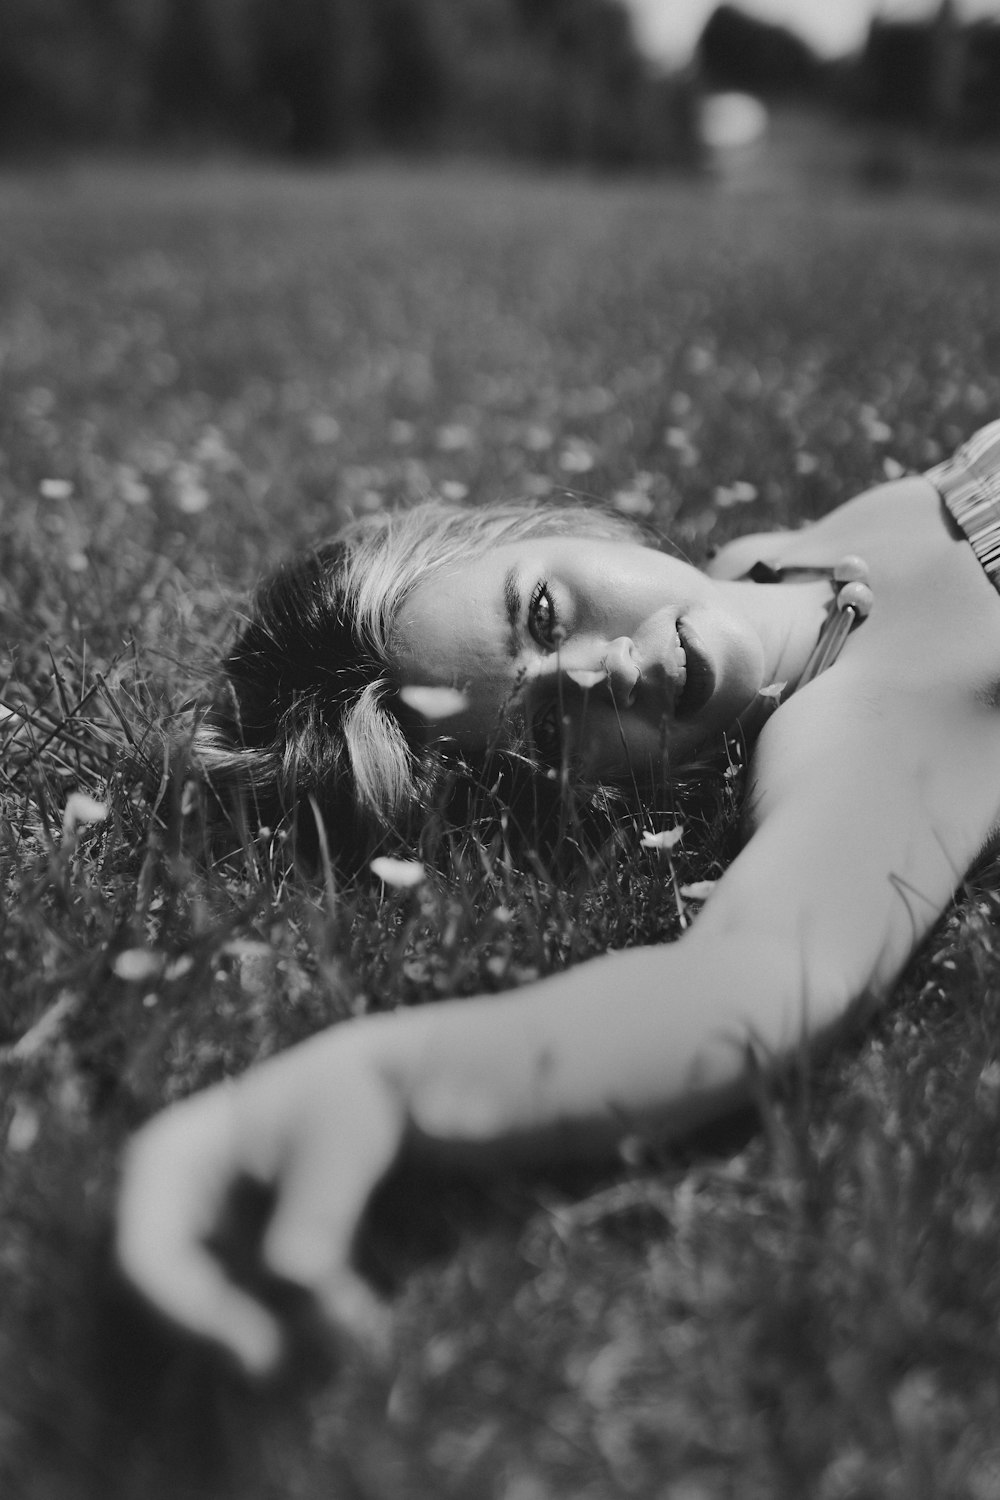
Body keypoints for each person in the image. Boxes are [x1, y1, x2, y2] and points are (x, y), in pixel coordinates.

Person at [117, 420, 1000, 1378]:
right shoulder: (872, 720)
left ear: (568, 528)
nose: (596, 670)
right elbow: (759, 971)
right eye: (547, 724)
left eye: (542, 613)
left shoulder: (772, 563)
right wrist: (387, 1079)